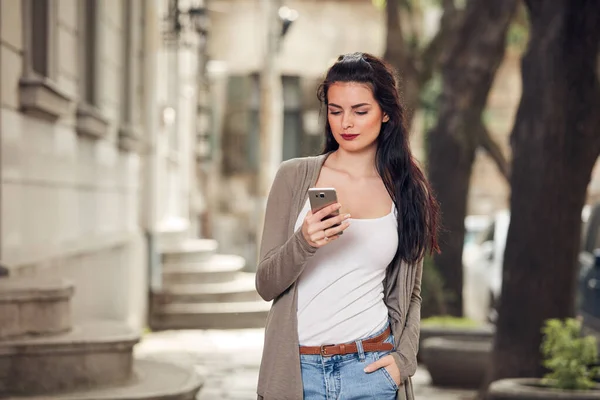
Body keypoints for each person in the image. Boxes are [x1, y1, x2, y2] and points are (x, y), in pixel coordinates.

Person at [255, 52, 440, 400]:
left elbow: (411, 292)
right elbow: (266, 284)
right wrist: (304, 241)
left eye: (360, 111)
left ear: (385, 113)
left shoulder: (407, 188)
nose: (346, 124)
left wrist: (403, 361)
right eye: (336, 110)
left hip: (370, 371)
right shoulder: (294, 177)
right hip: (299, 373)